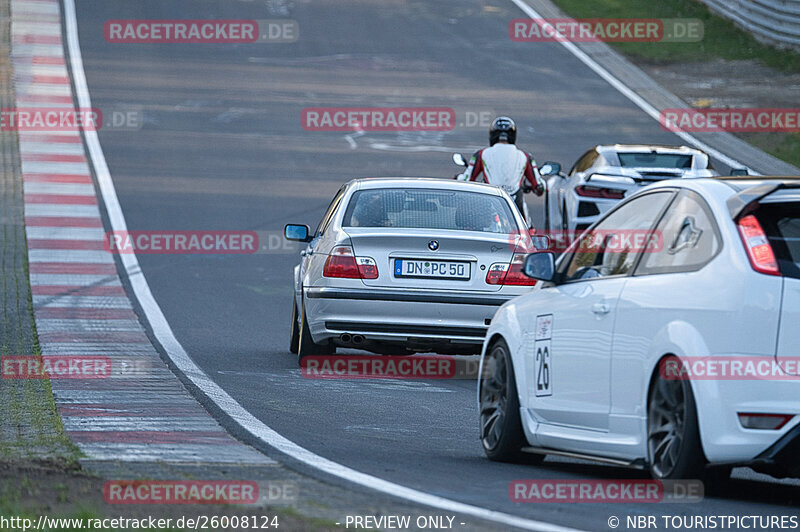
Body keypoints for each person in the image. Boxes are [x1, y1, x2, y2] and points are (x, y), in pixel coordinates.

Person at [456, 116, 545, 222]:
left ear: (492, 135)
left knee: (481, 229)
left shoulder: (481, 154)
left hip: (489, 205)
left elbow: (465, 180)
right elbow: (540, 187)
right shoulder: (525, 157)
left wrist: (458, 177)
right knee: (528, 232)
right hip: (516, 206)